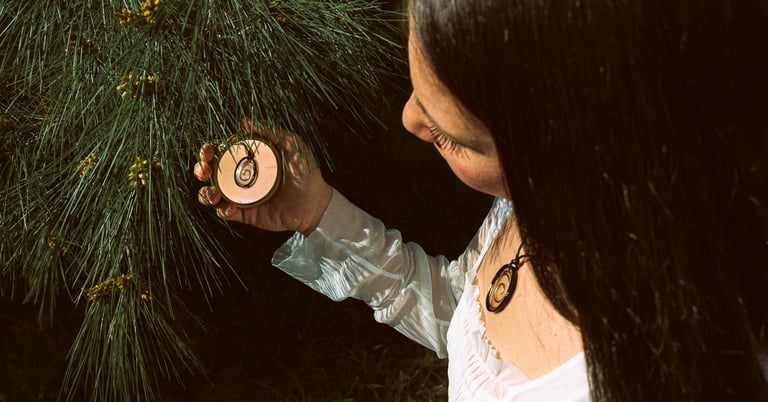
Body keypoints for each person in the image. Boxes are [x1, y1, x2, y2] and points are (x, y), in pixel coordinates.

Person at [194, 0, 768, 400]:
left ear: (569, 155)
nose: (408, 120)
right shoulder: (537, 205)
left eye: (452, 137)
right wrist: (316, 211)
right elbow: (464, 314)